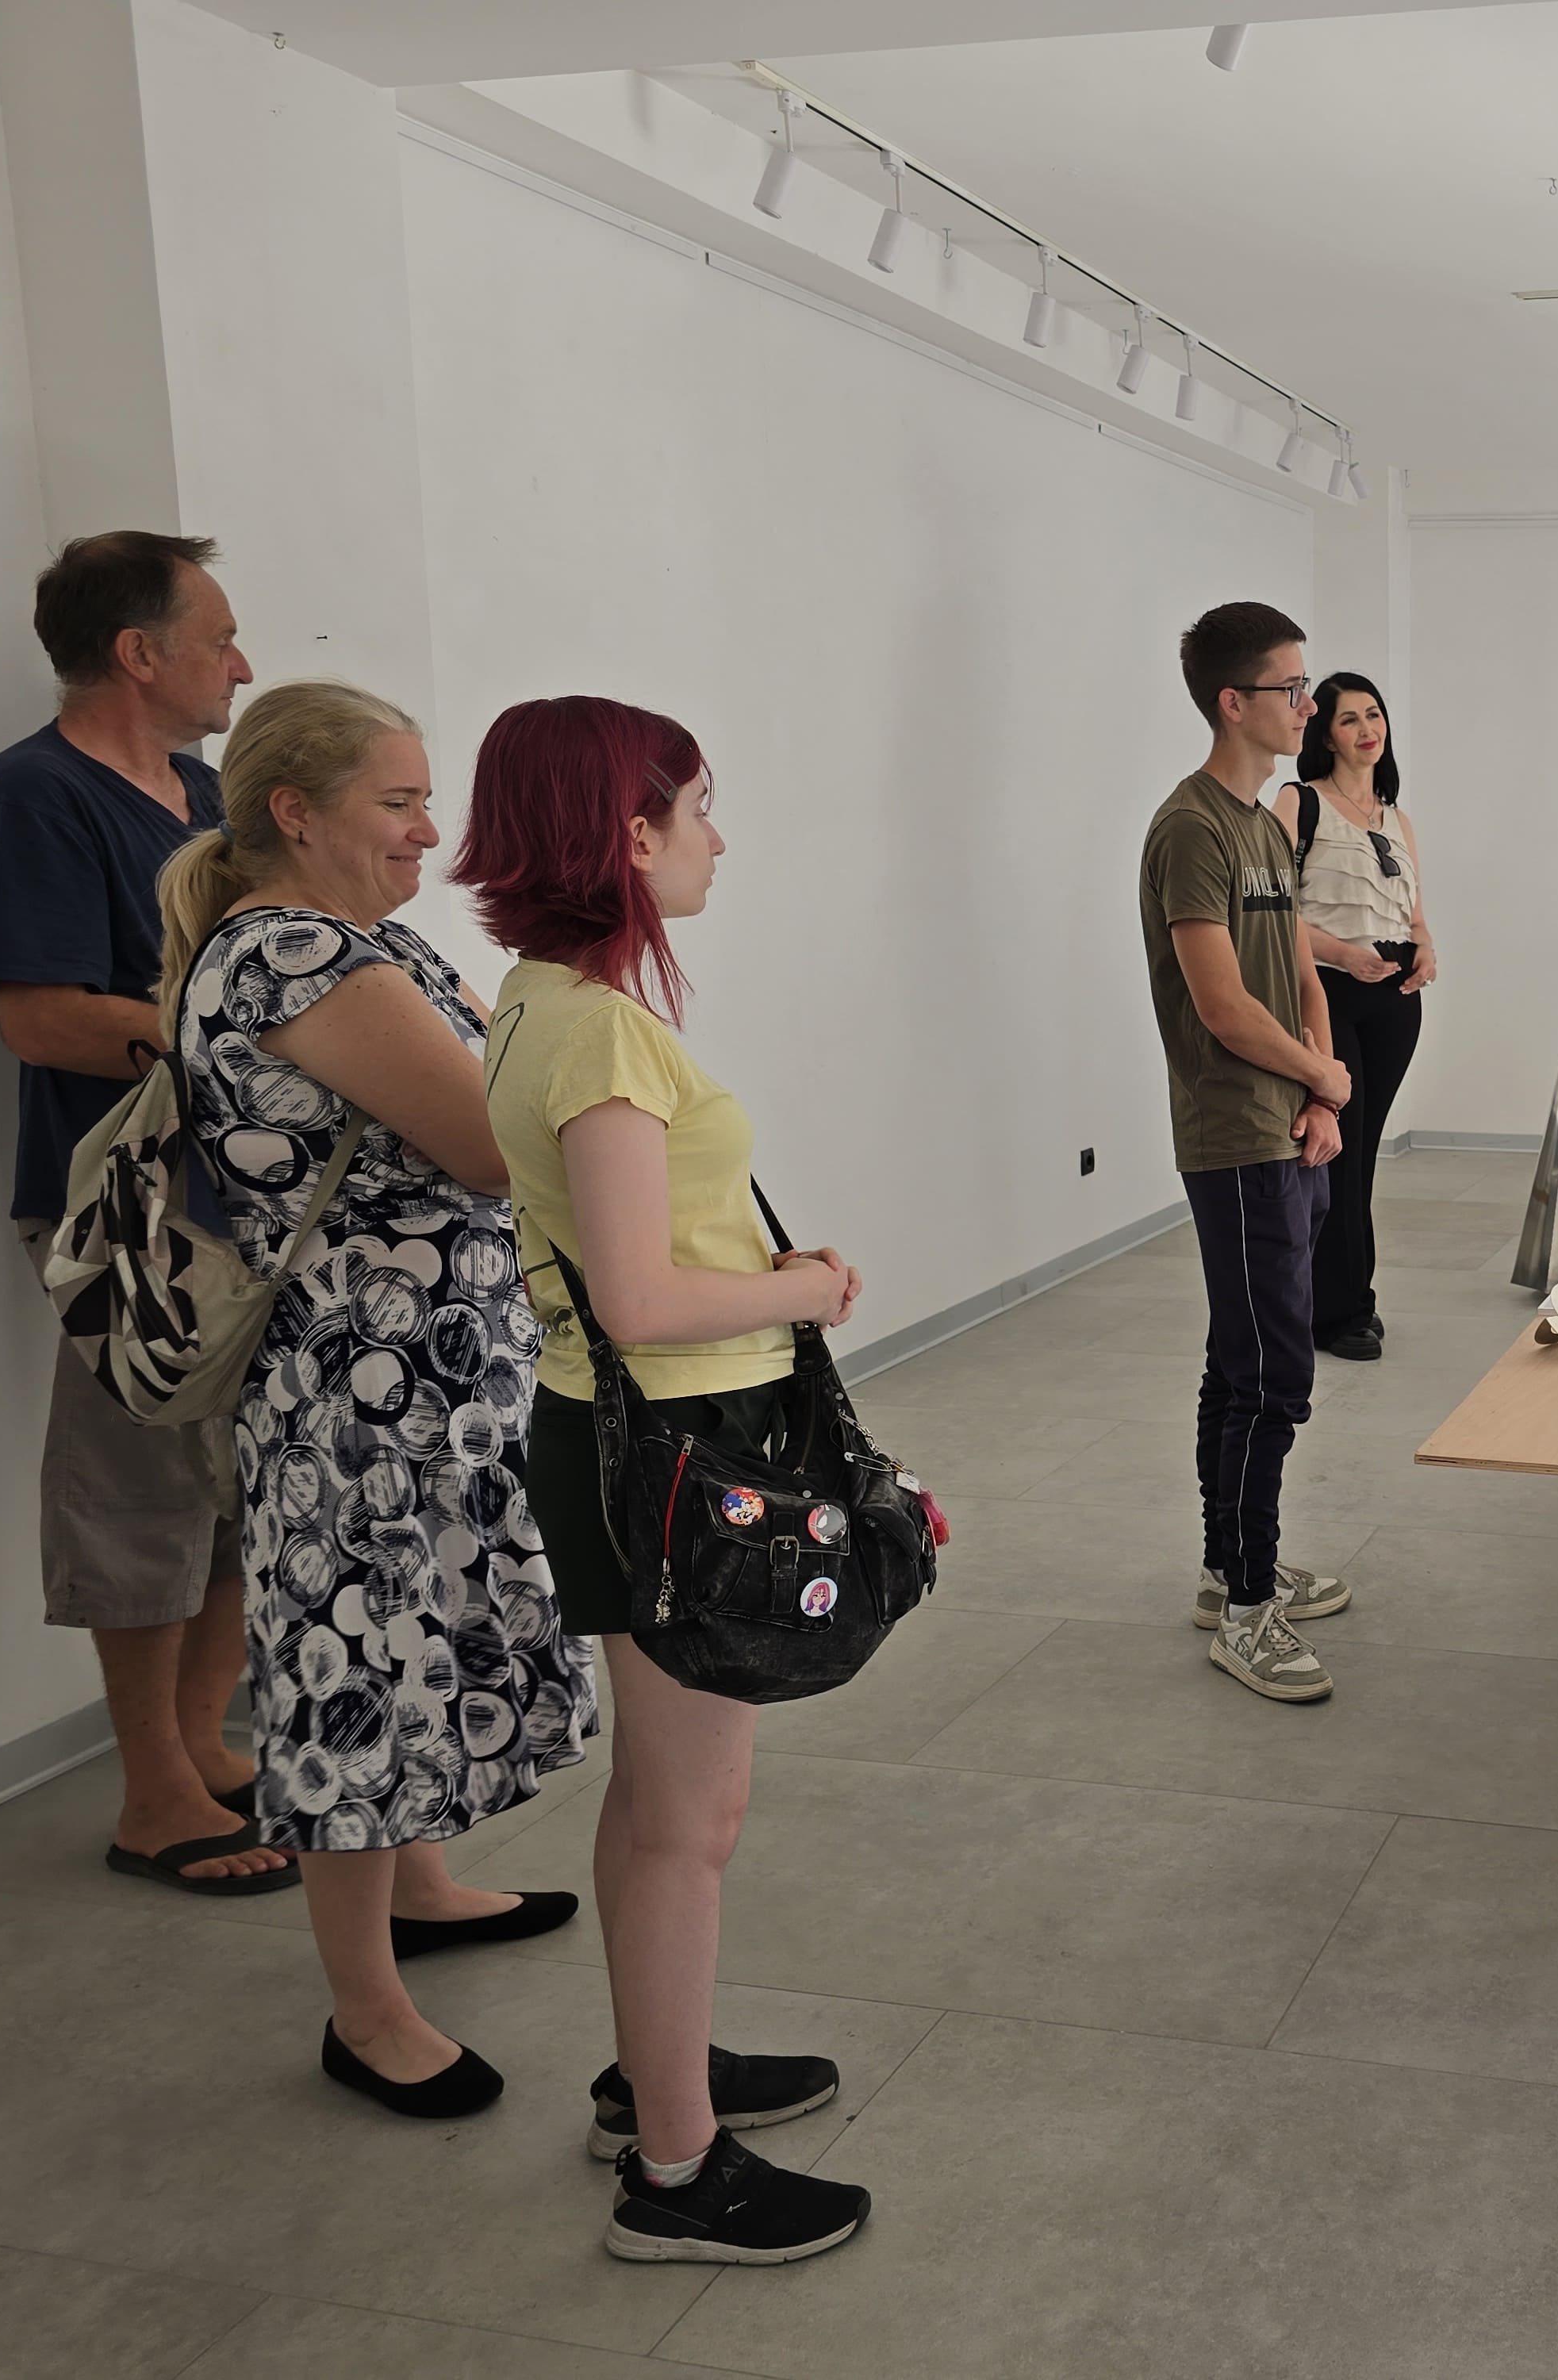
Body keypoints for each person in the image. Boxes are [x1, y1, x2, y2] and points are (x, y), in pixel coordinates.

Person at [459, 696, 868, 2263]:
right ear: (626, 836)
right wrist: (804, 1285)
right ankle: (680, 2176)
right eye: (699, 810)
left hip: (620, 1441)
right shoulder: (603, 1033)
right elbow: (639, 1298)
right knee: (690, 1816)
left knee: (655, 1797)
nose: (719, 839)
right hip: (677, 1452)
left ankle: (657, 2076)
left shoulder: (536, 1003)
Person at [157, 681, 595, 2117]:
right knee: (357, 1675)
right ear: (296, 811)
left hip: (420, 1379)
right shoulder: (294, 956)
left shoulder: (363, 942)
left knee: (417, 1642)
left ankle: (423, 1888)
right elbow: (491, 1143)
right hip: (363, 1398)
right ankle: (366, 2011)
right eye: (397, 802)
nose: (427, 829)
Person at [0, 531, 289, 1894]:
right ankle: (152, 1796)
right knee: (138, 1491)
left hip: (237, 1198)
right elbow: (39, 1018)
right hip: (127, 1211)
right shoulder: (30, 798)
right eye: (219, 640)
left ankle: (200, 1749)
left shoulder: (202, 793)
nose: (241, 667)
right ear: (139, 654)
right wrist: (224, 1040)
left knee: (238, 1490)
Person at [1143, 604, 1355, 1702]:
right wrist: (1321, 1078)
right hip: (1234, 1137)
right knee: (1273, 1378)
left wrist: (1320, 1091)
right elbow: (1222, 1006)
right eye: (1291, 689)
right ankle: (1247, 1610)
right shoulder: (1191, 829)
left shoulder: (1266, 826)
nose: (1309, 707)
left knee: (1244, 1362)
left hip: (1289, 1128)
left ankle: (1233, 1573)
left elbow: (1301, 973)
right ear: (1234, 703)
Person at [1272, 673, 1433, 1361]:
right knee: (1335, 1151)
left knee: (1360, 1153)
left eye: (1374, 715)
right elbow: (1273, 912)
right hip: (1329, 989)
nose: (1367, 729)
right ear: (1326, 735)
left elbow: (1413, 913)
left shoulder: (1396, 818)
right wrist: (1342, 954)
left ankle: (1350, 1299)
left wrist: (1425, 950)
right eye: (1348, 719)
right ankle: (1335, 1314)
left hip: (1395, 998)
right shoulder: (1299, 801)